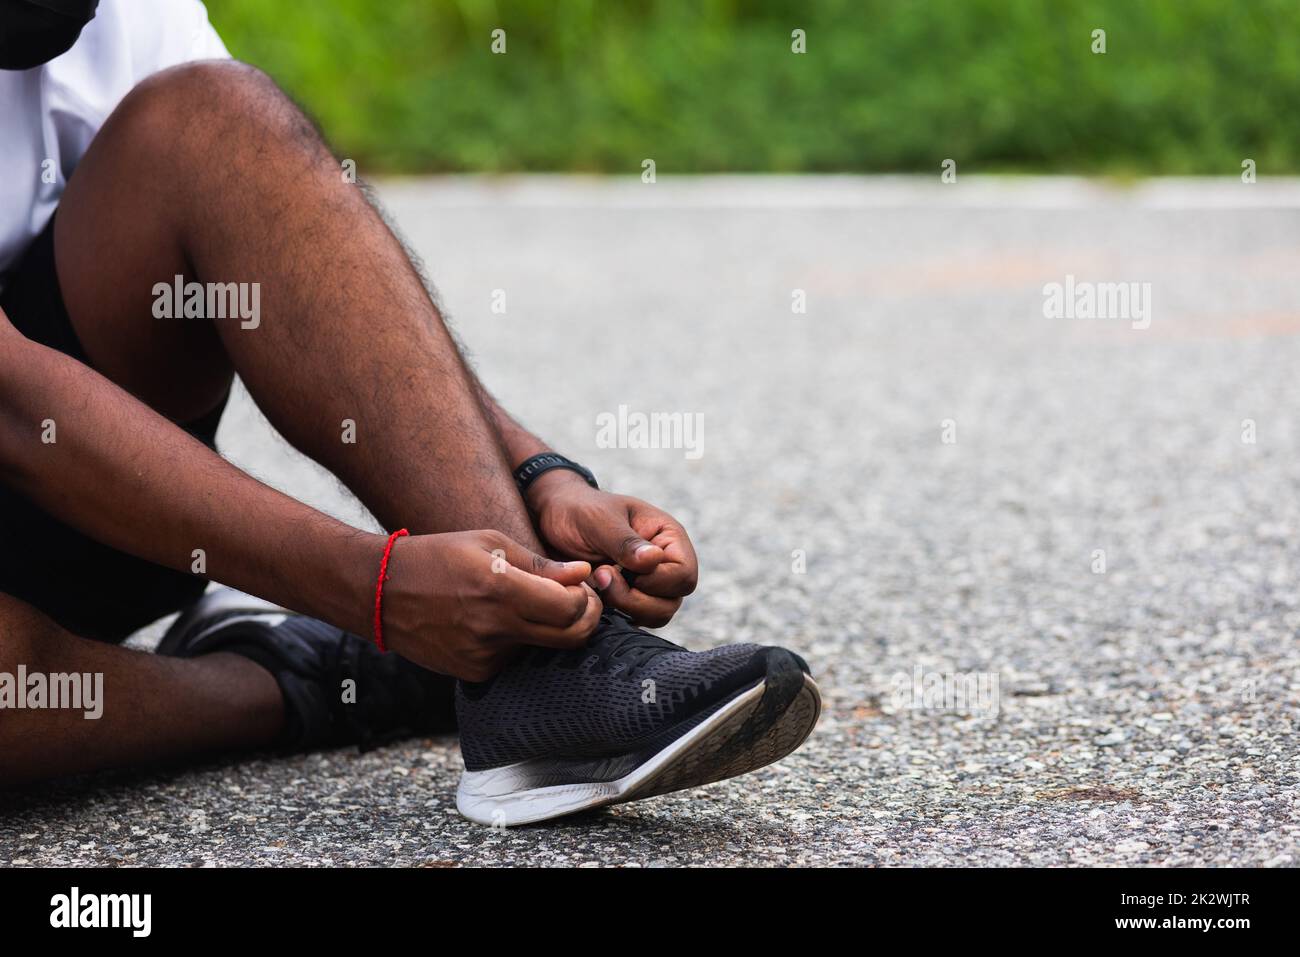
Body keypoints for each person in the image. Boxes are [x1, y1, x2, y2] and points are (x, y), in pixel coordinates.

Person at [0, 0, 819, 825]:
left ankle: (543, 676)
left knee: (217, 123)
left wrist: (539, 479)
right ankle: (294, 678)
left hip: (100, 502)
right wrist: (379, 594)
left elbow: (270, 223)